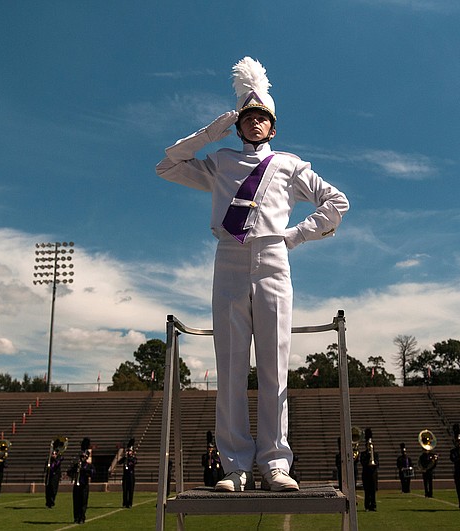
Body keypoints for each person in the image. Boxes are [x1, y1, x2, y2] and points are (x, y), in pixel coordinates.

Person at [156, 56, 349, 493]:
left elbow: (337, 203)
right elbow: (167, 164)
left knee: (274, 368)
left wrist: (294, 236)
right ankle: (235, 466)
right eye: (248, 118)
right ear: (238, 124)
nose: (255, 124)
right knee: (229, 367)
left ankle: (276, 463)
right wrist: (212, 131)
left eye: (262, 118)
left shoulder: (289, 164)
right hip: (228, 257)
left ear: (273, 127)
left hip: (273, 259)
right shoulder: (221, 160)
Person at [69, 438, 95, 524]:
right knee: (76, 502)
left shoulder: (89, 466)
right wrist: (74, 470)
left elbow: (93, 473)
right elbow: (69, 472)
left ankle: (82, 517)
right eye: (81, 456)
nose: (82, 458)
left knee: (83, 503)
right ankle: (76, 517)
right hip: (76, 485)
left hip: (84, 485)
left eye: (84, 456)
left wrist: (84, 471)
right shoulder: (77, 464)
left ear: (86, 457)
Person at [359, 428, 379, 511]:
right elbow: (362, 463)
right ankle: (367, 506)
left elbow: (377, 463)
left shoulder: (376, 454)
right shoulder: (363, 454)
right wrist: (368, 457)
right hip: (366, 473)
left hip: (373, 474)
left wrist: (372, 457)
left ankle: (373, 505)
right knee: (367, 491)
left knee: (373, 491)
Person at [45, 438, 66, 508]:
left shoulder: (59, 454)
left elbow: (58, 462)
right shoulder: (50, 454)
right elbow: (47, 463)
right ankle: (48, 502)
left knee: (54, 488)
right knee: (48, 488)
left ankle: (52, 501)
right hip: (49, 474)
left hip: (55, 475)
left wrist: (55, 458)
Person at [118, 438, 137, 508]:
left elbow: (134, 463)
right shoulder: (125, 458)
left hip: (131, 476)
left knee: (130, 490)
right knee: (125, 490)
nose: (128, 452)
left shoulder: (133, 458)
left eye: (129, 451)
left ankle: (130, 503)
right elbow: (119, 462)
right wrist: (125, 457)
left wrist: (128, 458)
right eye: (128, 450)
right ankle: (124, 503)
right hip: (125, 476)